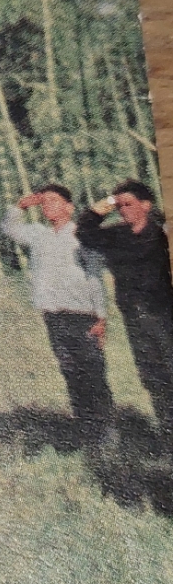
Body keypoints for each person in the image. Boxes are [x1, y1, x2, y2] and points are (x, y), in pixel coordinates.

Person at [1, 186, 114, 450]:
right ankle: (85, 428)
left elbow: (95, 276)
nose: (48, 206)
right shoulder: (38, 235)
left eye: (54, 201)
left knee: (93, 372)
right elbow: (8, 228)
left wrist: (101, 317)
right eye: (44, 202)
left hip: (82, 314)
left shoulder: (81, 234)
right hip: (53, 315)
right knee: (70, 371)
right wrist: (20, 206)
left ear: (69, 207)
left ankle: (107, 430)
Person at [77, 180, 173, 447]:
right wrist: (105, 205)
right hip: (136, 320)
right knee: (153, 377)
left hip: (165, 315)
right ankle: (168, 434)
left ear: (146, 205)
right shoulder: (116, 236)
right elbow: (84, 231)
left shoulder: (162, 234)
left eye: (128, 204)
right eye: (118, 207)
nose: (122, 210)